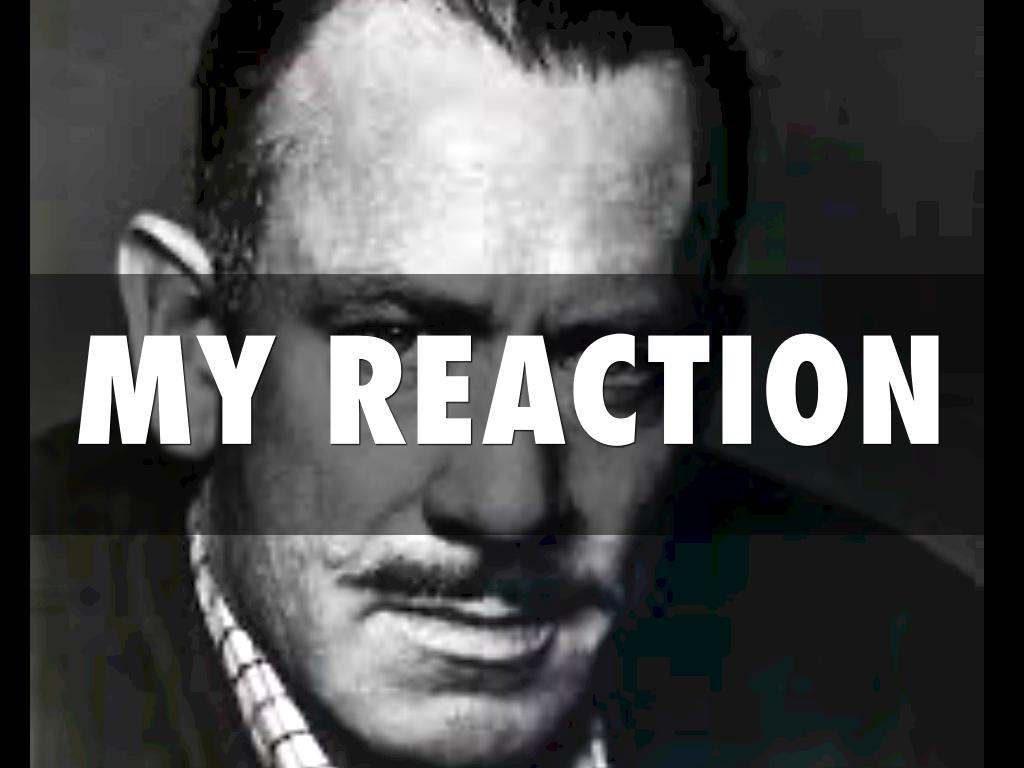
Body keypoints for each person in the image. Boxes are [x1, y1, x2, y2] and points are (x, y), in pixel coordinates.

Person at [30, 1, 982, 767]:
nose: (509, 498)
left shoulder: (920, 692)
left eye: (611, 368)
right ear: (190, 352)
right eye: (398, 350)